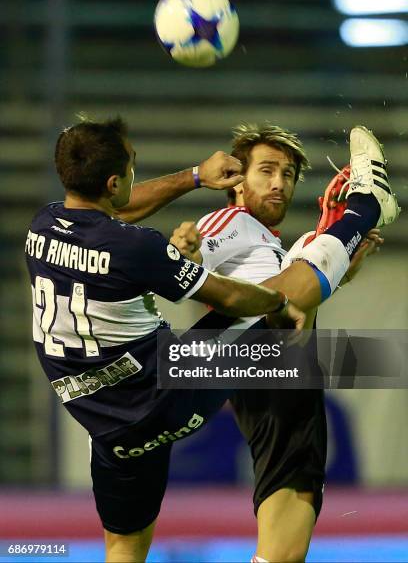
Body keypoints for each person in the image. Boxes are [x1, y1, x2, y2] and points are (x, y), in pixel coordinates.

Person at [25, 116, 306, 563]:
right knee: (280, 307)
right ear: (114, 180)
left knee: (123, 546)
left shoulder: (41, 226)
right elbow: (230, 294)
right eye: (133, 166)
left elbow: (114, 210)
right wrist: (276, 302)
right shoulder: (135, 247)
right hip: (161, 394)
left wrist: (196, 176)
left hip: (102, 419)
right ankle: (358, 216)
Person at [170, 123, 398, 562]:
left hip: (277, 375)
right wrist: (188, 255)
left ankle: (343, 231)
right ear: (237, 180)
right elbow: (197, 254)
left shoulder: (268, 245)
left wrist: (340, 269)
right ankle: (365, 205)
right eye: (267, 170)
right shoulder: (231, 220)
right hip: (245, 353)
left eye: (288, 174)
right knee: (307, 261)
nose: (279, 183)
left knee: (285, 537)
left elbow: (295, 308)